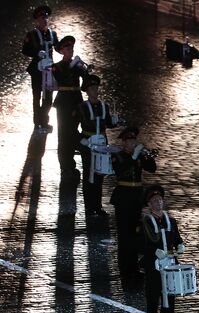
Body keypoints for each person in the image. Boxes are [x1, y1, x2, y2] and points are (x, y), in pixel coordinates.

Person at [138, 185, 184, 313]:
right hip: (154, 267)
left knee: (169, 302)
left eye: (160, 200)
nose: (158, 203)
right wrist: (153, 252)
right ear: (149, 205)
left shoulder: (170, 220)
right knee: (152, 302)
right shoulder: (145, 222)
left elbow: (177, 239)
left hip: (170, 266)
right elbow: (140, 245)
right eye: (154, 201)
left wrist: (180, 245)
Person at [110, 126, 157, 279]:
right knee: (124, 235)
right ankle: (125, 269)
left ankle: (134, 268)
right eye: (128, 141)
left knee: (135, 232)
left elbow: (152, 168)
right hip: (123, 197)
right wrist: (135, 156)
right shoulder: (118, 156)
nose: (131, 143)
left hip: (136, 197)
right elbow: (121, 170)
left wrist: (147, 156)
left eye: (133, 140)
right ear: (123, 142)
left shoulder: (138, 155)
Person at [75, 74, 118, 215]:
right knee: (89, 174)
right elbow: (79, 125)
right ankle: (89, 206)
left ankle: (97, 205)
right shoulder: (82, 107)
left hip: (102, 142)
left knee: (100, 173)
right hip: (88, 143)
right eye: (92, 88)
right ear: (87, 91)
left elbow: (109, 124)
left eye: (96, 87)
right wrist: (80, 140)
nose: (95, 90)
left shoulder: (104, 106)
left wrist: (114, 120)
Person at [51, 35, 89, 178]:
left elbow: (85, 85)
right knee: (64, 134)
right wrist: (73, 67)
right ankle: (65, 166)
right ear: (62, 51)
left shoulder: (77, 66)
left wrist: (84, 72)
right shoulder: (57, 66)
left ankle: (71, 163)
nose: (71, 50)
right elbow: (62, 78)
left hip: (76, 101)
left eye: (72, 48)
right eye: (68, 48)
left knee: (73, 131)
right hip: (64, 103)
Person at [22, 5, 59, 132]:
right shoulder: (31, 34)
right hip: (37, 70)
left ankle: (44, 120)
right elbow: (25, 51)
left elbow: (58, 47)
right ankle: (37, 122)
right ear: (37, 20)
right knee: (37, 96)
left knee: (48, 98)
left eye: (45, 18)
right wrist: (36, 52)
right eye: (41, 18)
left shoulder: (52, 34)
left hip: (49, 70)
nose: (44, 20)